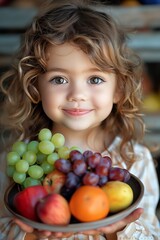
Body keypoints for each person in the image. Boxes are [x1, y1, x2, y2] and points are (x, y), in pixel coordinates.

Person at [0, 0, 159, 239]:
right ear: (35, 87)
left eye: (95, 79)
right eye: (59, 79)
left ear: (119, 90)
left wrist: (120, 230)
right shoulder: (18, 161)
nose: (77, 95)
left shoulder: (135, 160)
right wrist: (32, 236)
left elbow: (152, 233)